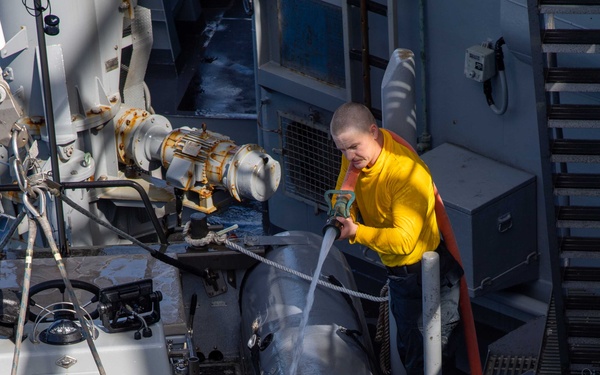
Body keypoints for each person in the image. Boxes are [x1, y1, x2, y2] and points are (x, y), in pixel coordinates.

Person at [329, 102, 464, 374]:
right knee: (410, 352)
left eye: (354, 146)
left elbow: (404, 241)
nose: (348, 156)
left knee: (431, 359)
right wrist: (340, 211)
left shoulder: (404, 174)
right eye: (341, 149)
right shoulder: (355, 156)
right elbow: (345, 190)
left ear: (373, 131)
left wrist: (356, 232)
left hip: (427, 278)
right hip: (402, 278)